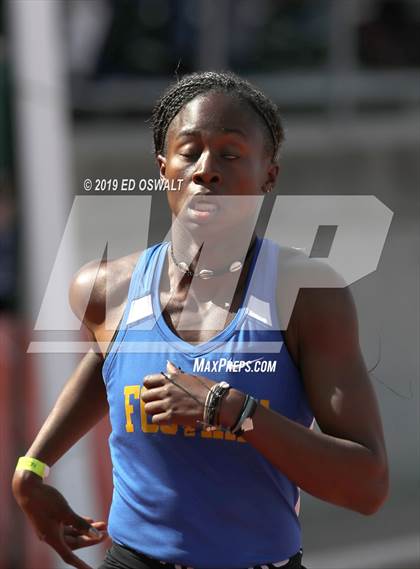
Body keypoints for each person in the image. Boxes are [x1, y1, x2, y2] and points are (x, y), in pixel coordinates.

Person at [12, 71, 389, 569]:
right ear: (163, 167)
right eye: (189, 152)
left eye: (230, 154)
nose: (206, 170)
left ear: (268, 175)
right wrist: (33, 468)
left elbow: (367, 487)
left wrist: (231, 410)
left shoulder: (305, 294)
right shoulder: (106, 289)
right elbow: (107, 360)